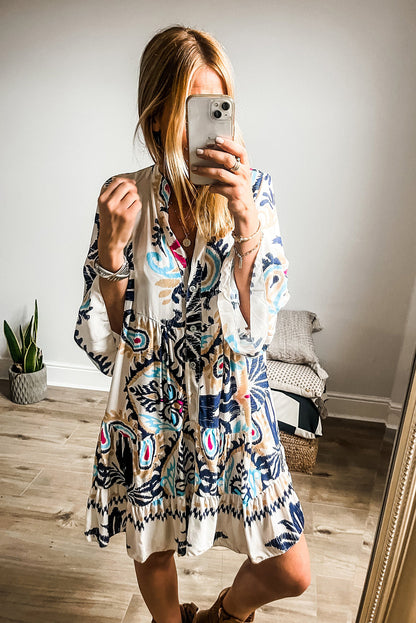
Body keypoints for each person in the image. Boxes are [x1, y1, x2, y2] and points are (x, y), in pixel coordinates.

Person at [74, 24, 311, 623]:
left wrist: (247, 225)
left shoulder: (253, 193)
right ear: (155, 117)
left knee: (292, 570)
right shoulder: (124, 198)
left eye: (217, 107)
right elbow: (109, 344)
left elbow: (258, 331)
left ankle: (226, 615)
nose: (209, 126)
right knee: (150, 543)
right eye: (191, 108)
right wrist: (110, 253)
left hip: (232, 402)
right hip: (150, 404)